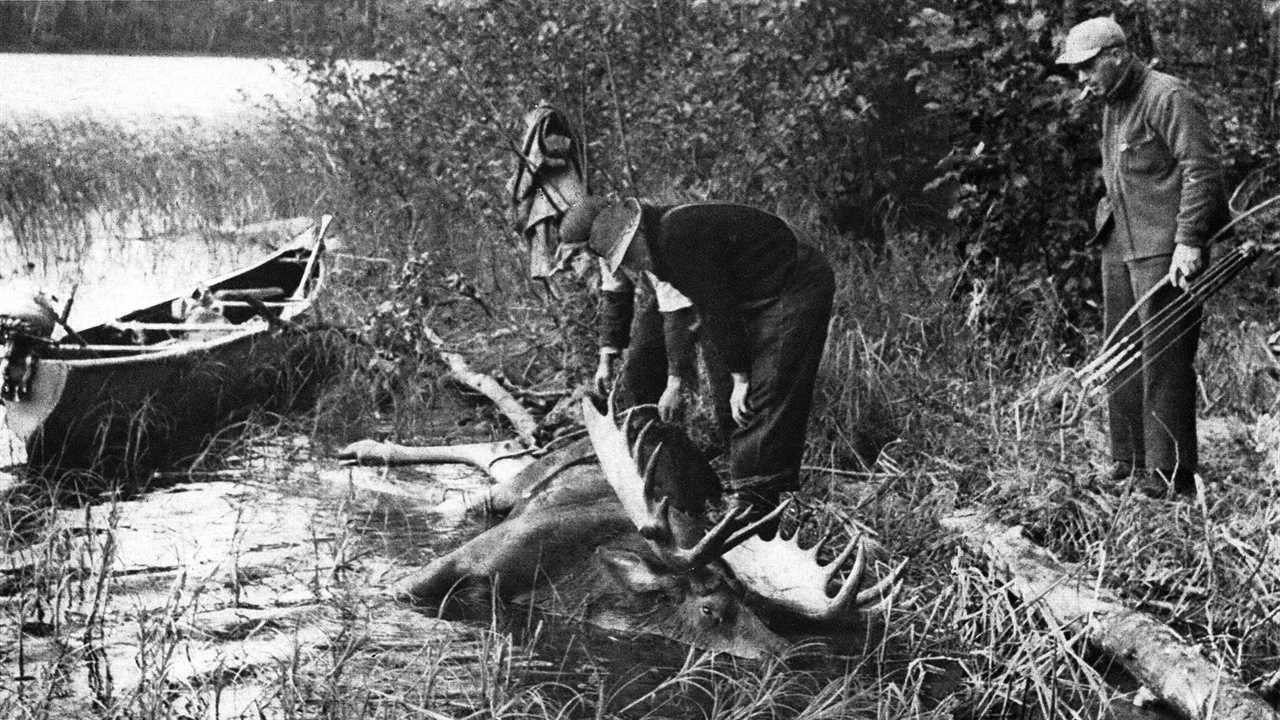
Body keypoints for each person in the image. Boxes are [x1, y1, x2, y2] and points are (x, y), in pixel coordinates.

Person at [560, 197, 835, 519]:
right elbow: (714, 310)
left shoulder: (678, 238)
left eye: (630, 256)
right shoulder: (657, 246)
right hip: (750, 292)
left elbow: (715, 305)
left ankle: (757, 501)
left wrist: (741, 378)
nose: (634, 266)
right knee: (730, 394)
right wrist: (733, 373)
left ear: (635, 236)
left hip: (796, 281)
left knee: (766, 387)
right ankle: (745, 485)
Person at [1056, 16, 1228, 497]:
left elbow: (1202, 169)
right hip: (1121, 246)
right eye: (1077, 71)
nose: (1082, 79)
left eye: (1088, 66)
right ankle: (1129, 462)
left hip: (1165, 250)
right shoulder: (1112, 103)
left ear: (1117, 55)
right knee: (1121, 354)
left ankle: (1169, 475)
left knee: (1165, 360)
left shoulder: (1166, 95)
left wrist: (1190, 239)